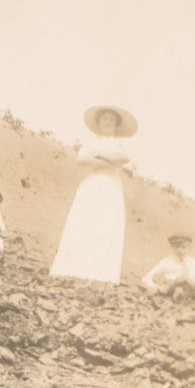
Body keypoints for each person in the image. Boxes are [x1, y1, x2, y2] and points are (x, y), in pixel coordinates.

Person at [50, 105, 137, 284]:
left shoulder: (120, 143)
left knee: (105, 225)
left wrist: (98, 156)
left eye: (111, 120)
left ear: (116, 124)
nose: (107, 122)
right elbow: (82, 158)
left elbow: (125, 156)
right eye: (104, 119)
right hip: (92, 185)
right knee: (84, 222)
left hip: (111, 186)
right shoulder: (92, 141)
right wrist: (108, 159)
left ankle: (100, 273)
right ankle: (73, 268)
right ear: (98, 122)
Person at [142, 234, 195, 299]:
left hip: (192, 292)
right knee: (178, 284)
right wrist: (157, 287)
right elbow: (146, 278)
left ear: (189, 248)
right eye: (176, 247)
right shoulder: (166, 262)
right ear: (172, 247)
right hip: (171, 291)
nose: (180, 250)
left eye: (183, 247)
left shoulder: (193, 262)